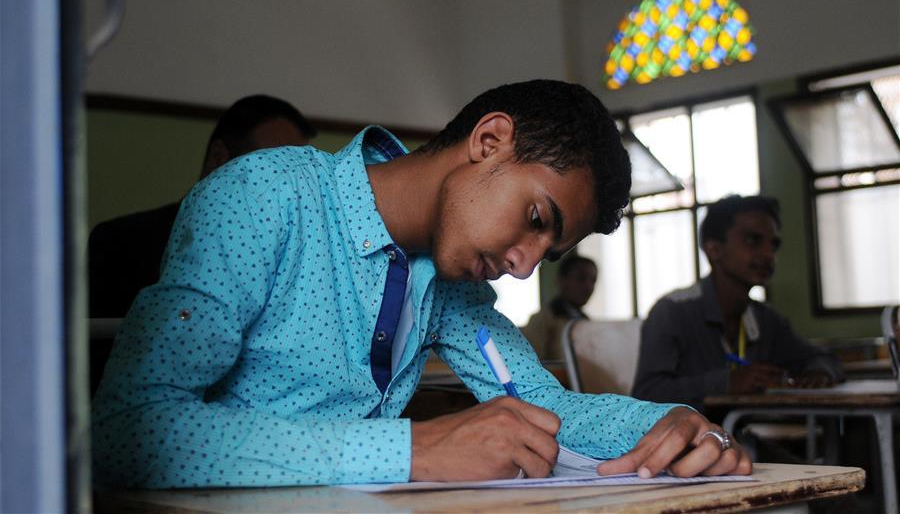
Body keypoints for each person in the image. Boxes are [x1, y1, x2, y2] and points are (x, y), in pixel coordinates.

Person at [92, 80, 751, 489]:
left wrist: (678, 421)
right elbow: (126, 430)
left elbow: (540, 403)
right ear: (490, 139)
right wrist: (414, 447)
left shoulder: (453, 291)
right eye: (535, 219)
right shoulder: (265, 197)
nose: (525, 264)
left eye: (547, 251)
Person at [88, 95, 315, 393]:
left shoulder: (302, 259)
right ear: (219, 157)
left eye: (296, 176)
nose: (285, 189)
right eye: (267, 169)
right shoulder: (121, 242)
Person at [632, 195, 843, 413]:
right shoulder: (672, 312)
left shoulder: (766, 319)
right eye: (753, 241)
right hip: (693, 444)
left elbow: (824, 358)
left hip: (751, 439)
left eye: (774, 244)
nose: (768, 254)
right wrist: (726, 383)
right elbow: (646, 395)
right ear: (714, 249)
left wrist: (819, 372)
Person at [522, 254, 597, 360]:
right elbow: (532, 361)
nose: (588, 286)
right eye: (581, 278)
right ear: (562, 281)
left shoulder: (586, 322)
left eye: (593, 280)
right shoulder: (544, 319)